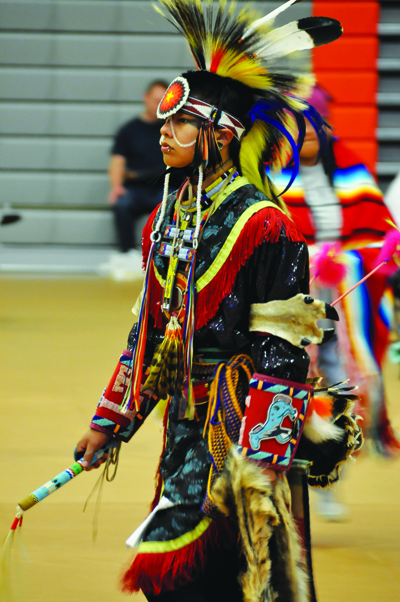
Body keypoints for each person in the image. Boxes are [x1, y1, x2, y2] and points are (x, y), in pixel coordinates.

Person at [75, 2, 361, 600]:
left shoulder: (265, 225)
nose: (163, 132)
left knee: (237, 577)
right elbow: (151, 333)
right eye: (163, 120)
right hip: (185, 424)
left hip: (241, 432)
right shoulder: (165, 217)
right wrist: (110, 422)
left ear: (222, 134)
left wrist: (258, 464)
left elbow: (283, 352)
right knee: (175, 576)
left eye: (180, 122)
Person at [275, 85, 400, 518]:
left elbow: (381, 240)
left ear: (324, 126)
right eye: (294, 122)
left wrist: (342, 262)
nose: (303, 130)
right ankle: (282, 479)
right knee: (292, 386)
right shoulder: (270, 174)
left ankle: (326, 479)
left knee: (342, 383)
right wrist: (310, 262)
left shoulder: (352, 171)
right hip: (291, 305)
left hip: (345, 306)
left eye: (311, 122)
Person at [104, 80, 169, 280]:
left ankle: (163, 259)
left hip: (165, 189)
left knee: (172, 208)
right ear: (145, 98)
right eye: (156, 100)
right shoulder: (129, 130)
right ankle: (126, 255)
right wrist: (116, 188)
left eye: (163, 101)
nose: (158, 105)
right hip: (136, 189)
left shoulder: (172, 128)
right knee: (122, 204)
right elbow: (117, 161)